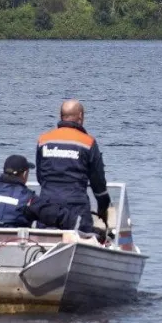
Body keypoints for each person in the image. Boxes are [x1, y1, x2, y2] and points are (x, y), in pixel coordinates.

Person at [35, 99, 110, 234]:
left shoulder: (44, 140)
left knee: (45, 240)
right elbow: (98, 182)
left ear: (60, 115)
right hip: (76, 206)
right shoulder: (88, 142)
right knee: (84, 238)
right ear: (80, 116)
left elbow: (40, 176)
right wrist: (103, 207)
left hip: (47, 204)